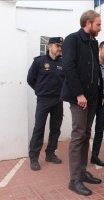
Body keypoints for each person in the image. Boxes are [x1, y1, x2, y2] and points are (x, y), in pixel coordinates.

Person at [62, 10, 102, 196]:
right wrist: (79, 93)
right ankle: (74, 180)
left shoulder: (94, 43)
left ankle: (83, 172)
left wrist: (98, 94)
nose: (100, 28)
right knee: (78, 135)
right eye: (98, 24)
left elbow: (95, 71)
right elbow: (68, 66)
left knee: (86, 134)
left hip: (92, 97)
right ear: (88, 23)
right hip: (79, 98)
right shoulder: (72, 39)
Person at [27, 37, 64, 171]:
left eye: (61, 46)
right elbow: (30, 78)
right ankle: (34, 157)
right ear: (49, 46)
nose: (60, 48)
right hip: (44, 100)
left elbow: (66, 80)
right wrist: (39, 90)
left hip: (58, 100)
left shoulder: (63, 62)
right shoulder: (39, 61)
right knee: (39, 128)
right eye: (57, 46)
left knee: (55, 128)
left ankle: (50, 153)